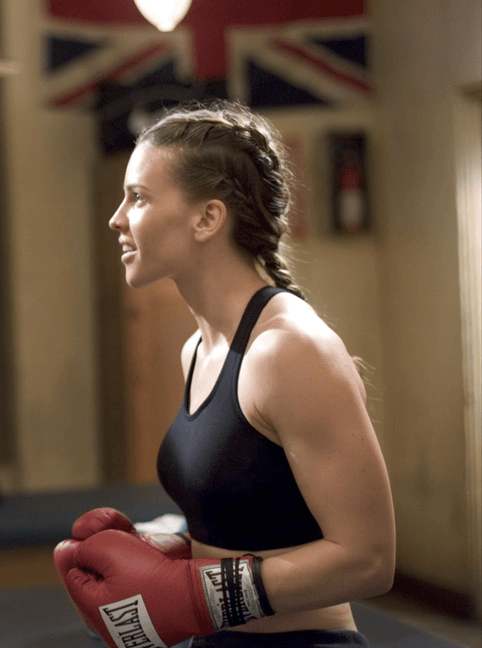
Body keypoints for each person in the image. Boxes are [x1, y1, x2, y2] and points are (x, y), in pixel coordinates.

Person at [54, 101, 395, 648]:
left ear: (207, 219)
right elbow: (254, 514)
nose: (117, 218)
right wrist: (163, 546)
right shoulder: (197, 349)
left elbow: (369, 561)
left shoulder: (287, 350)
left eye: (138, 197)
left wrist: (196, 593)